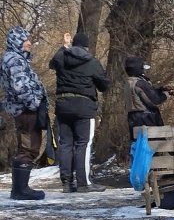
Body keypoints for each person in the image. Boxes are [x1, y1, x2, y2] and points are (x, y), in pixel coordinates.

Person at [49, 32, 111, 193]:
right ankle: (84, 183)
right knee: (83, 143)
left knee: (65, 143)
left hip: (63, 105)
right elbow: (104, 85)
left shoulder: (62, 57)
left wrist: (64, 47)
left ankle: (66, 182)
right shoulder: (91, 61)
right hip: (84, 106)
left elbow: (53, 63)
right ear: (86, 46)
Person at [1, 26, 47, 200]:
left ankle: (20, 188)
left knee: (28, 146)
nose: (29, 43)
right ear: (16, 42)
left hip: (23, 109)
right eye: (25, 40)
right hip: (25, 110)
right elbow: (19, 86)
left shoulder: (15, 59)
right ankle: (21, 190)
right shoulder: (14, 60)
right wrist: (34, 103)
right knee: (28, 147)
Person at [126, 56, 171, 134]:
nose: (144, 71)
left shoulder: (128, 83)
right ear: (138, 69)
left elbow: (145, 95)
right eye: (143, 69)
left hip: (133, 119)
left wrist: (161, 89)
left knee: (137, 144)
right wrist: (167, 94)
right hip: (146, 120)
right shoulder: (140, 83)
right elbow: (155, 100)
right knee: (155, 144)